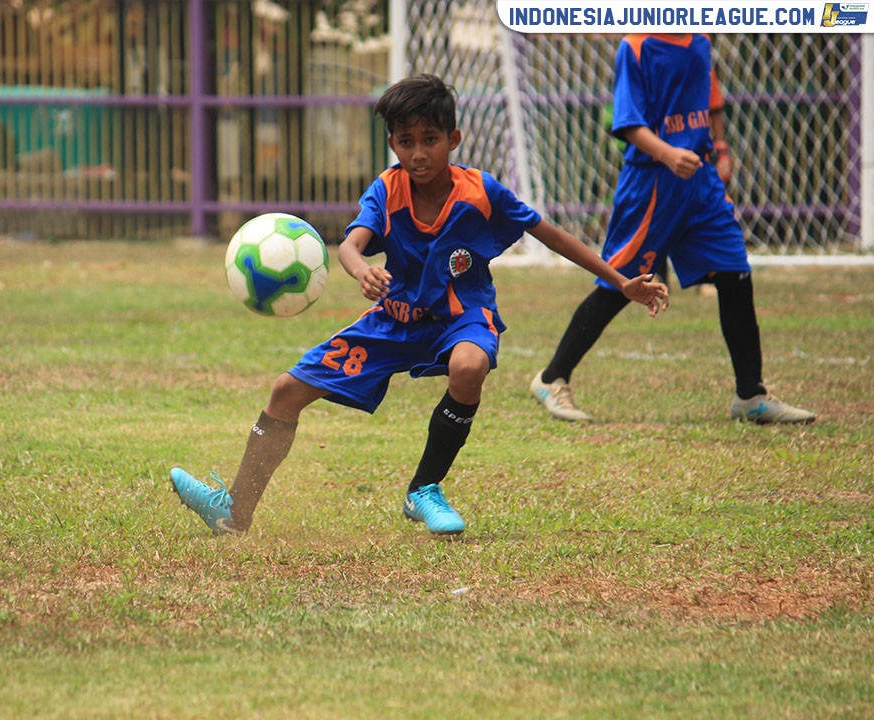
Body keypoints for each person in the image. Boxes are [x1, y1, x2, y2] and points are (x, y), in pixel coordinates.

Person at [170, 74, 668, 537]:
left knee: (469, 365)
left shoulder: (482, 193)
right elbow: (349, 245)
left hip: (462, 316)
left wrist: (622, 283)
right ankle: (234, 511)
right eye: (405, 142)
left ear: (453, 139)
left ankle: (424, 489)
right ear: (392, 145)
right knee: (285, 391)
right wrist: (362, 267)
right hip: (396, 318)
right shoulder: (386, 190)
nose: (418, 152)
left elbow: (552, 235)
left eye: (429, 139)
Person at [529, 34, 815, 425]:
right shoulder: (636, 46)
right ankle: (551, 378)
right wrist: (666, 153)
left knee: (735, 274)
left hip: (700, 181)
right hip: (651, 182)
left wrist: (722, 146)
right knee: (621, 282)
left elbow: (711, 98)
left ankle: (750, 395)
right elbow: (629, 123)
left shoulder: (699, 39)